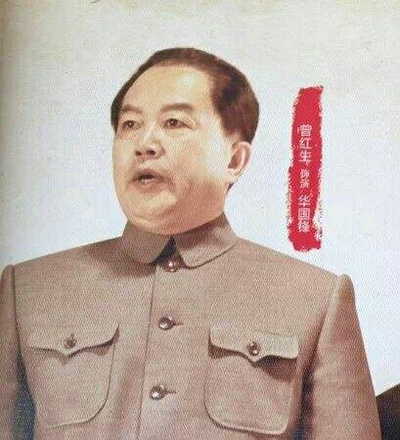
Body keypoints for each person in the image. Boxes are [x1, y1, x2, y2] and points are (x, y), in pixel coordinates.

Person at [0, 48, 381, 439]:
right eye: (130, 124)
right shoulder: (27, 290)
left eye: (174, 122)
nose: (145, 143)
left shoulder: (316, 299)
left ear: (234, 160)